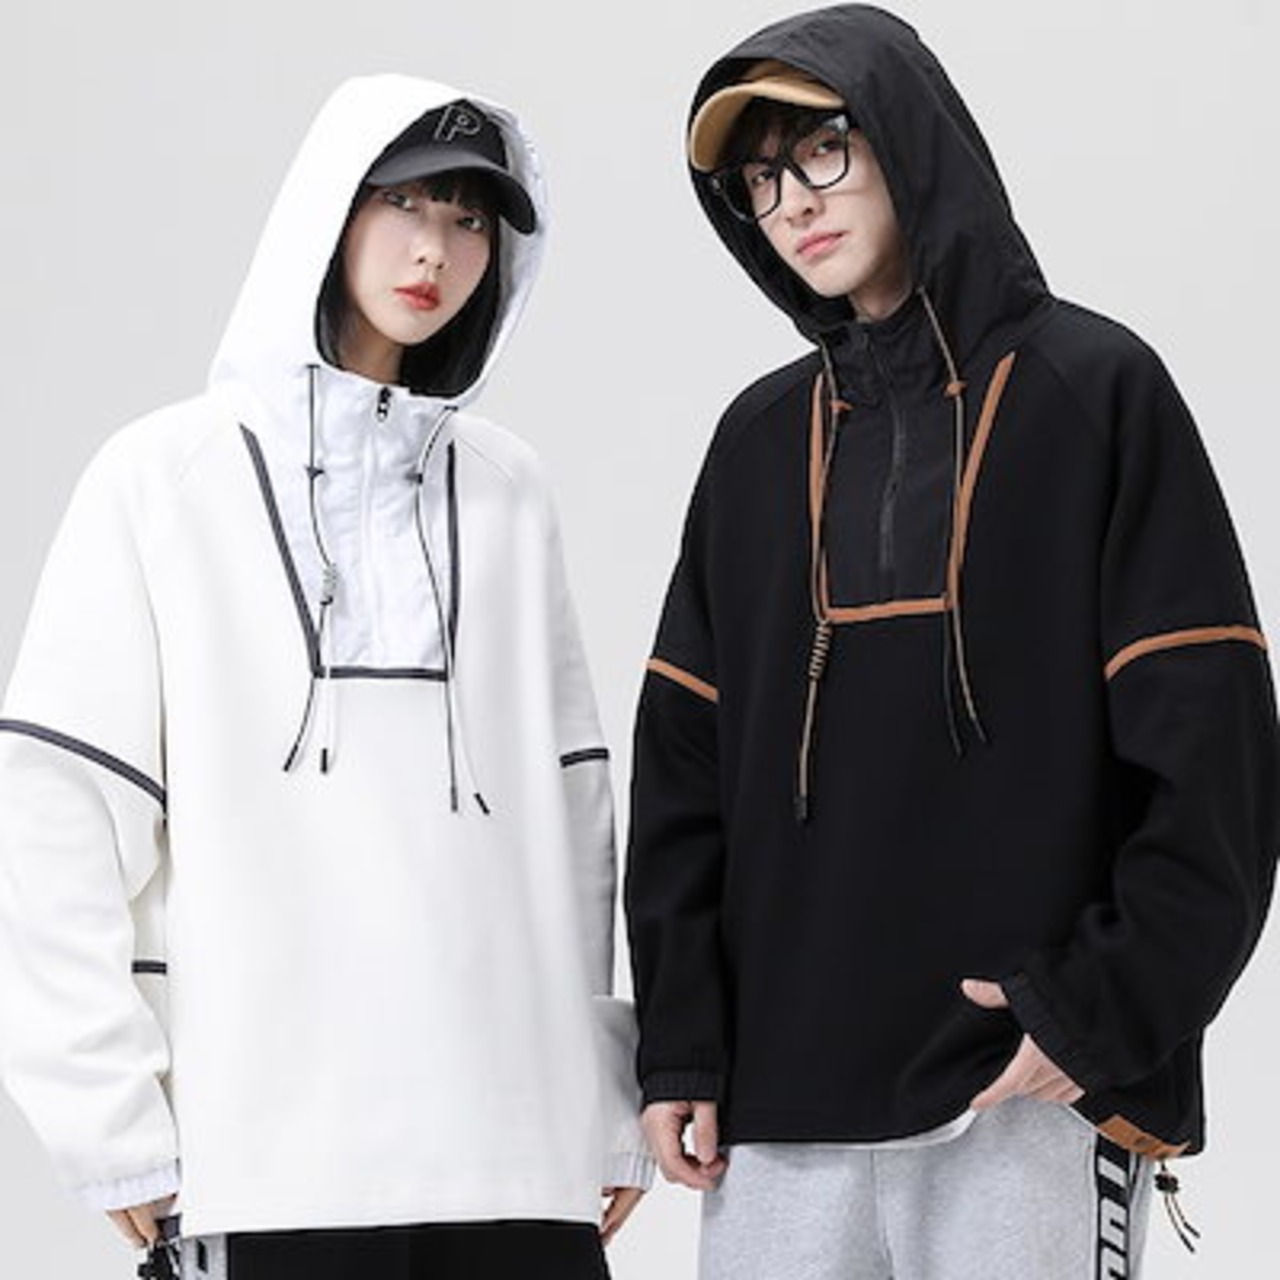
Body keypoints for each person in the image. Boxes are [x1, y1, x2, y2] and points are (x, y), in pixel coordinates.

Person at [623, 6, 1278, 1277]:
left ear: (907, 137)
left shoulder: (1093, 392)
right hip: (779, 1105)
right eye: (759, 180)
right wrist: (681, 1043)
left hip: (1020, 1090)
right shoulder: (755, 443)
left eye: (821, 149)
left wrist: (1099, 1010)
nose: (792, 201)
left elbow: (1216, 760)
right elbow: (682, 772)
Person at [0, 74, 649, 1279]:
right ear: (327, 212)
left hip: (513, 1155)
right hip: (267, 1159)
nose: (434, 249)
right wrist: (106, 1116)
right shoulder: (162, 477)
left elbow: (571, 821)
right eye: (402, 202)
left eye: (468, 218)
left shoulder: (506, 489)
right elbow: (58, 807)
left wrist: (601, 1088)